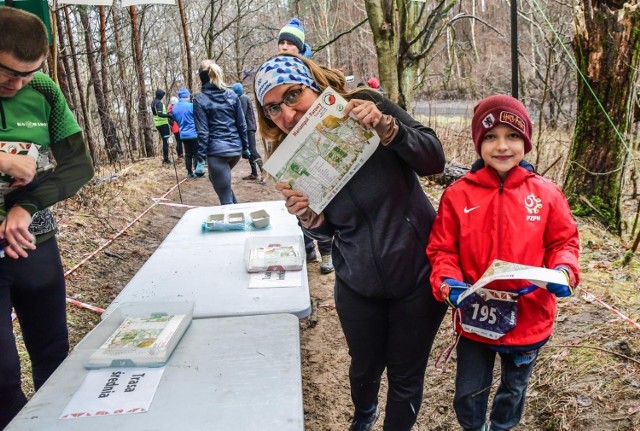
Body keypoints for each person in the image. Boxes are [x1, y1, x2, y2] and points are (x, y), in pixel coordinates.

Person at [254, 53, 447, 430]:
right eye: (273, 108)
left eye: (294, 95)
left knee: (406, 375)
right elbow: (328, 234)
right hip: (358, 281)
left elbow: (433, 159)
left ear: (314, 85)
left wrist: (390, 130)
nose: (288, 114)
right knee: (364, 367)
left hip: (417, 274)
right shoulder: (288, 158)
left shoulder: (366, 104)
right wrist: (310, 220)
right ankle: (363, 416)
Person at [426, 94, 580, 431]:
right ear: (478, 143)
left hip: (530, 316)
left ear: (525, 141)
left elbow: (563, 242)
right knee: (468, 392)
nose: (502, 146)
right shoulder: (458, 195)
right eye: (491, 137)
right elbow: (442, 250)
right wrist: (447, 282)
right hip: (476, 316)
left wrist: (564, 271)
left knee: (514, 387)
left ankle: (501, 426)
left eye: (512, 136)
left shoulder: (547, 194)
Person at [0, 6, 94, 429]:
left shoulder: (44, 90)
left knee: (54, 355)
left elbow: (79, 167)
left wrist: (26, 206)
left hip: (34, 242)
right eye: (8, 73)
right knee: (2, 377)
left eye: (28, 73)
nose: (17, 83)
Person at [276, 18, 334, 273]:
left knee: (323, 200)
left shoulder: (313, 73)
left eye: (290, 43)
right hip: (292, 146)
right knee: (300, 200)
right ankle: (308, 247)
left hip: (322, 145)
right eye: (282, 42)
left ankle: (328, 254)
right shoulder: (275, 72)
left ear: (300, 47)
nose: (285, 47)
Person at [193, 59, 250, 205]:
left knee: (224, 198)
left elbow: (203, 132)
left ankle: (236, 226)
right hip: (235, 151)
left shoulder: (199, 99)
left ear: (201, 78)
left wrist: (200, 158)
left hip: (217, 153)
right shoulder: (232, 95)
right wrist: (245, 148)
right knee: (218, 181)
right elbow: (241, 124)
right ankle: (237, 211)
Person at [231, 82, 266, 184]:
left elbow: (240, 115)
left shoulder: (242, 98)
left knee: (252, 150)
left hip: (249, 128)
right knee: (250, 152)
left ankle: (264, 173)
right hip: (248, 128)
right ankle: (254, 173)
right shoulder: (242, 98)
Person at [171, 87, 199, 178]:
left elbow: (175, 120)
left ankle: (189, 172)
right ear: (187, 96)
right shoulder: (191, 106)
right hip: (194, 133)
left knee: (187, 153)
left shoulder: (174, 108)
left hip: (183, 134)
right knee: (196, 153)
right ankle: (197, 171)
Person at [151, 88, 172, 165]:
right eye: (163, 95)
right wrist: (169, 116)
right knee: (166, 141)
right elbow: (160, 114)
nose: (163, 97)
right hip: (163, 124)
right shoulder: (159, 103)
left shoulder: (153, 102)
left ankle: (166, 158)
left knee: (165, 141)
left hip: (158, 124)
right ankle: (166, 159)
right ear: (160, 95)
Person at [167, 95, 184, 161]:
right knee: (179, 142)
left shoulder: (170, 109)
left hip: (174, 128)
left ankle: (180, 155)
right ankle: (180, 155)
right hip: (177, 127)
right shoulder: (174, 109)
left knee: (179, 141)